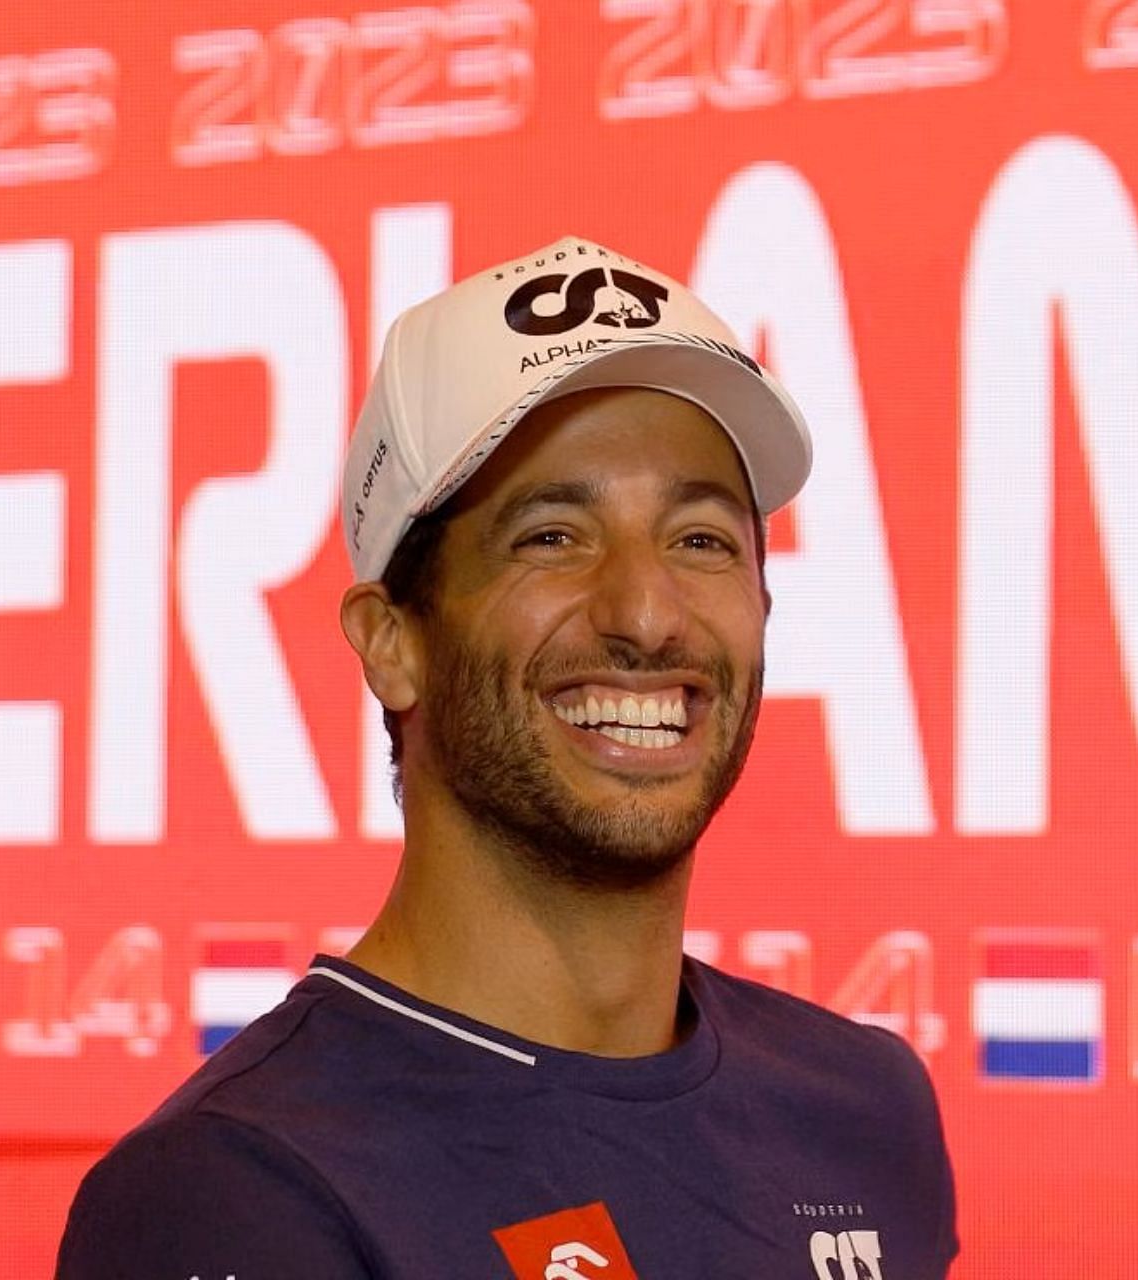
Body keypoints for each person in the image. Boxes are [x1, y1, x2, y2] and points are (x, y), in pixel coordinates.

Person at [56, 236, 957, 1279]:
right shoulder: (232, 1192)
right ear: (393, 640)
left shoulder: (862, 1104)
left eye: (701, 538)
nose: (647, 612)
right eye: (551, 535)